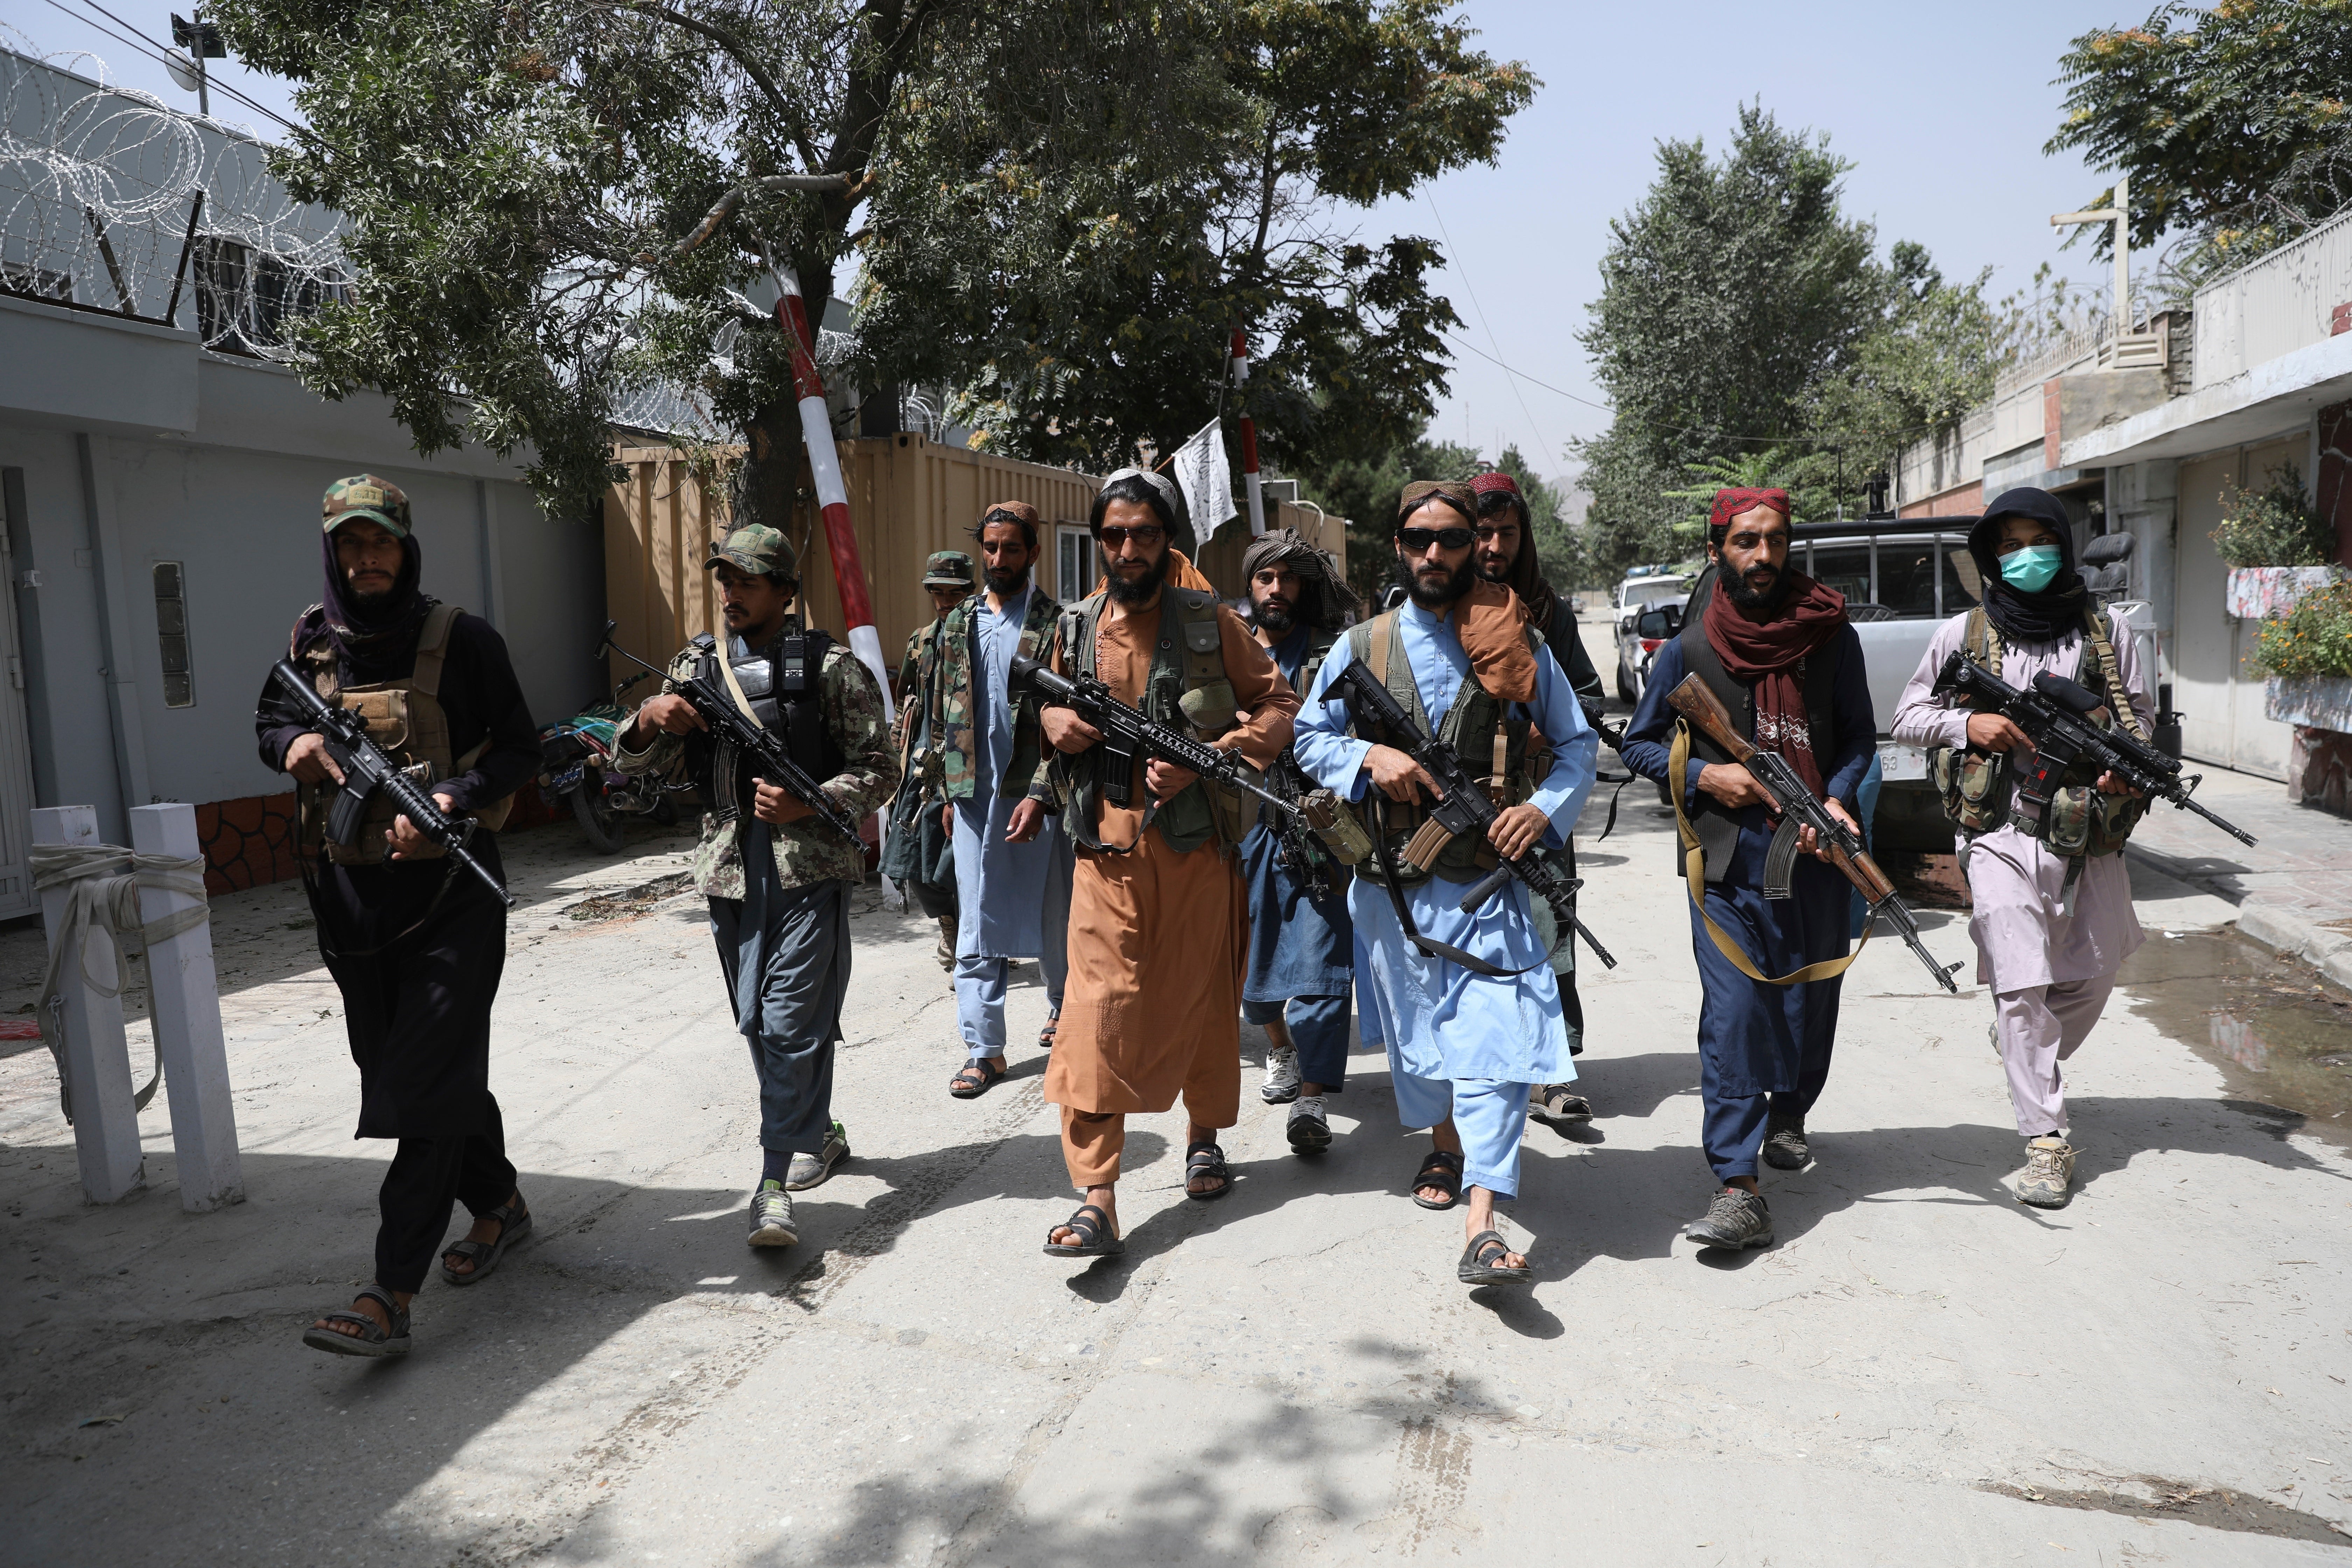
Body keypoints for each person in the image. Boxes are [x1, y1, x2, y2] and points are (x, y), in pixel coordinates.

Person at [1294, 481, 1598, 1287]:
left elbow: (1575, 748)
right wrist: (1368, 758)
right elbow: (1308, 737)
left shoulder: (1516, 640)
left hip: (1486, 881)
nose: (1436, 554)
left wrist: (1540, 813)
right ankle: (1443, 1145)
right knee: (1422, 1043)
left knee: (1495, 1043)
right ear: (1398, 546)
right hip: (1391, 883)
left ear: (1475, 546)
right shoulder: (1361, 646)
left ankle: (1484, 1220)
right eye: (1420, 539)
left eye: (1453, 539)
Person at [264, 476, 539, 1358]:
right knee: (404, 1071)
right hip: (354, 909)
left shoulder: (463, 640)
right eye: (351, 545)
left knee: (418, 1089)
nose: (366, 561)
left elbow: (524, 746)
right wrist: (292, 747)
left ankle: (390, 1291)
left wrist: (454, 795)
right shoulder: (313, 640)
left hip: (454, 905)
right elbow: (271, 716)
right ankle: (497, 1202)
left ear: (406, 547)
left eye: (380, 543)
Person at [607, 524, 895, 1248]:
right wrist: (648, 719)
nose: (732, 593)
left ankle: (771, 1184)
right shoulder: (697, 665)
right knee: (756, 1022)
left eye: (749, 580)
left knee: (789, 1021)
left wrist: (813, 799)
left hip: (810, 866)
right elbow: (632, 760)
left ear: (786, 592)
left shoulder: (831, 668)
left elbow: (883, 767)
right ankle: (817, 1130)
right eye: (725, 579)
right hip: (730, 869)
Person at [1035, 469, 1299, 1258]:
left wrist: (1213, 757)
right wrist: (1053, 718)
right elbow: (1039, 707)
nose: (1126, 548)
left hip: (1193, 848)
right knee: (1096, 1014)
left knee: (1201, 999)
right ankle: (1098, 1194)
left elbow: (1279, 705)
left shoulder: (1207, 618)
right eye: (1113, 534)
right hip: (1103, 853)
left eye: (1143, 533)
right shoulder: (1076, 626)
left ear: (1167, 537)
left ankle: (1204, 1138)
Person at [1619, 488, 1874, 1254]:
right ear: (1717, 551)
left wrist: (1837, 796)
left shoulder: (1832, 639)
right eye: (1745, 542)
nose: (1763, 556)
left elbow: (1861, 739)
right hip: (1728, 864)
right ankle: (1738, 1183)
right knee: (1735, 1014)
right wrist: (1706, 777)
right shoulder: (1688, 651)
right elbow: (1638, 745)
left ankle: (1788, 1110)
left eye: (1775, 541)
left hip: (1820, 854)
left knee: (1807, 1006)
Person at [1891, 488, 2150, 1209]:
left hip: (2086, 832)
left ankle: (2023, 1047)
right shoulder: (1964, 634)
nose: (2026, 555)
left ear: (2064, 546)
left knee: (2095, 972)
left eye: (2040, 539)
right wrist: (1966, 727)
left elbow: (2142, 718)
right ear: (1989, 557)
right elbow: (1909, 715)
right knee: (2021, 980)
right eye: (2009, 545)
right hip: (1999, 830)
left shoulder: (2107, 634)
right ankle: (2045, 1138)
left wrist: (2123, 766)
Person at [1468, 471, 1609, 1132]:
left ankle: (1555, 1072)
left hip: (1538, 802)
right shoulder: (1440, 607)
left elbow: (1588, 695)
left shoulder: (1549, 613)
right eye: (1482, 532)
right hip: (1460, 806)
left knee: (1551, 932)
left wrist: (1544, 726)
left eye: (1507, 533)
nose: (1493, 545)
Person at [934, 502, 1074, 1097]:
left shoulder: (1060, 624)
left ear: (1033, 552)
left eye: (1010, 549)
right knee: (976, 919)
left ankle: (1066, 1014)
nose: (998, 560)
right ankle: (984, 1048)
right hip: (973, 796)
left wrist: (1047, 790)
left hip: (1040, 792)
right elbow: (940, 711)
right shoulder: (957, 623)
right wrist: (944, 789)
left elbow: (1072, 717)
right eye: (990, 548)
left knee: (1056, 915)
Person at [1238, 528, 1361, 1154]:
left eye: (1289, 578)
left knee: (1320, 973)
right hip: (1242, 832)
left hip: (1317, 837)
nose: (1277, 589)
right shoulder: (1226, 650)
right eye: (1267, 578)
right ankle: (1280, 1051)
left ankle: (1311, 1100)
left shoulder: (1330, 654)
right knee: (1252, 980)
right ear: (1251, 585)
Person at [882, 551, 974, 973]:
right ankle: (951, 926)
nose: (943, 600)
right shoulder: (921, 641)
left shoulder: (981, 636)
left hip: (966, 764)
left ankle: (977, 938)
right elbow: (907, 701)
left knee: (962, 859)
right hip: (923, 768)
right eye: (936, 591)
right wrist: (892, 761)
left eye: (952, 592)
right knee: (914, 862)